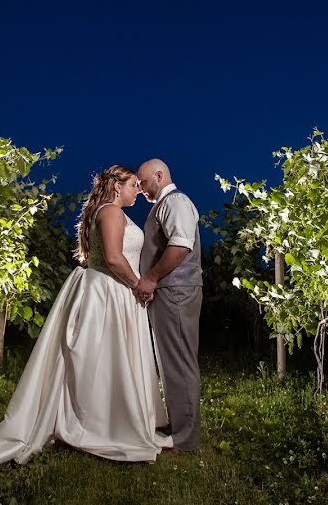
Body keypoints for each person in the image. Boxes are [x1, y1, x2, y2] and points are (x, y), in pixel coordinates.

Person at [0, 165, 172, 465]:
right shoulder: (111, 212)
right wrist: (139, 286)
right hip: (109, 290)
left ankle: (111, 415)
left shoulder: (109, 211)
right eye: (133, 184)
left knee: (108, 357)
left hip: (110, 289)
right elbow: (114, 258)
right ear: (117, 186)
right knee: (102, 357)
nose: (137, 190)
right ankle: (100, 422)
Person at [134, 159, 203, 452]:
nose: (140, 187)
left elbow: (181, 245)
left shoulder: (175, 202)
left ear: (158, 176)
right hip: (170, 291)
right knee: (171, 363)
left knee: (180, 363)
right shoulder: (164, 204)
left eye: (143, 181)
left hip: (176, 290)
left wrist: (150, 278)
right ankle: (178, 428)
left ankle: (185, 440)